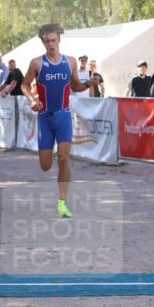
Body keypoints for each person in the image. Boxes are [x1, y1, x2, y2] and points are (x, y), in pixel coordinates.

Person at [21, 23, 97, 219]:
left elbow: (75, 86)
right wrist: (32, 100)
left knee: (64, 158)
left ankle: (62, 203)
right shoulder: (37, 63)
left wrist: (89, 83)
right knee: (45, 165)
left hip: (64, 116)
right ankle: (52, 160)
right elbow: (23, 85)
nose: (51, 44)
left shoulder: (70, 62)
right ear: (43, 43)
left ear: (59, 40)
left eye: (53, 40)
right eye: (47, 41)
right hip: (45, 118)